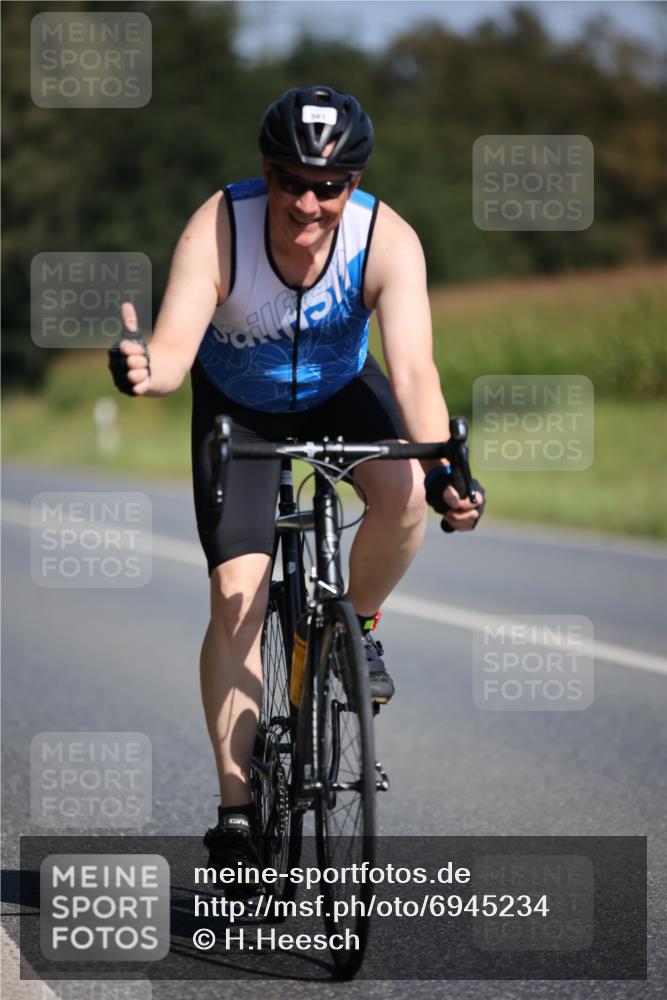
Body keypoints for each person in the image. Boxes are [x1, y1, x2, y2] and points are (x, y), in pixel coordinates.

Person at [108, 85, 485, 872]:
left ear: (351, 185)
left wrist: (446, 464)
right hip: (237, 410)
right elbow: (175, 348)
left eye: (328, 186)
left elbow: (413, 370)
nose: (307, 202)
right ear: (267, 173)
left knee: (404, 494)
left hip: (340, 390)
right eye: (290, 180)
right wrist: (147, 371)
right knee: (237, 595)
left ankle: (360, 632)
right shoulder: (220, 227)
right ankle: (237, 810)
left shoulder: (387, 240)